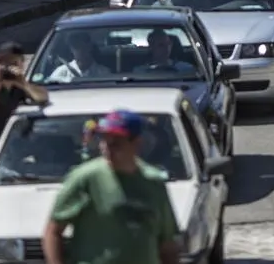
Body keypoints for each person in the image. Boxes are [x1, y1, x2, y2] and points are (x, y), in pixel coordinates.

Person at [43, 110, 180, 264]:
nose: (107, 148)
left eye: (116, 144)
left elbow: (167, 243)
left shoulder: (153, 182)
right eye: (104, 141)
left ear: (136, 144)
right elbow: (53, 232)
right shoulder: (84, 178)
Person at [0, 42, 48, 173]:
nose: (8, 69)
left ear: (22, 64)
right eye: (4, 63)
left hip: (15, 152)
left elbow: (43, 98)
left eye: (14, 64)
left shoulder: (21, 88)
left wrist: (23, 83)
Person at [47, 32, 111, 83]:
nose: (80, 50)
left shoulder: (103, 73)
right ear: (71, 49)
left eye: (83, 46)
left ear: (90, 47)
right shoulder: (62, 72)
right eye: (76, 46)